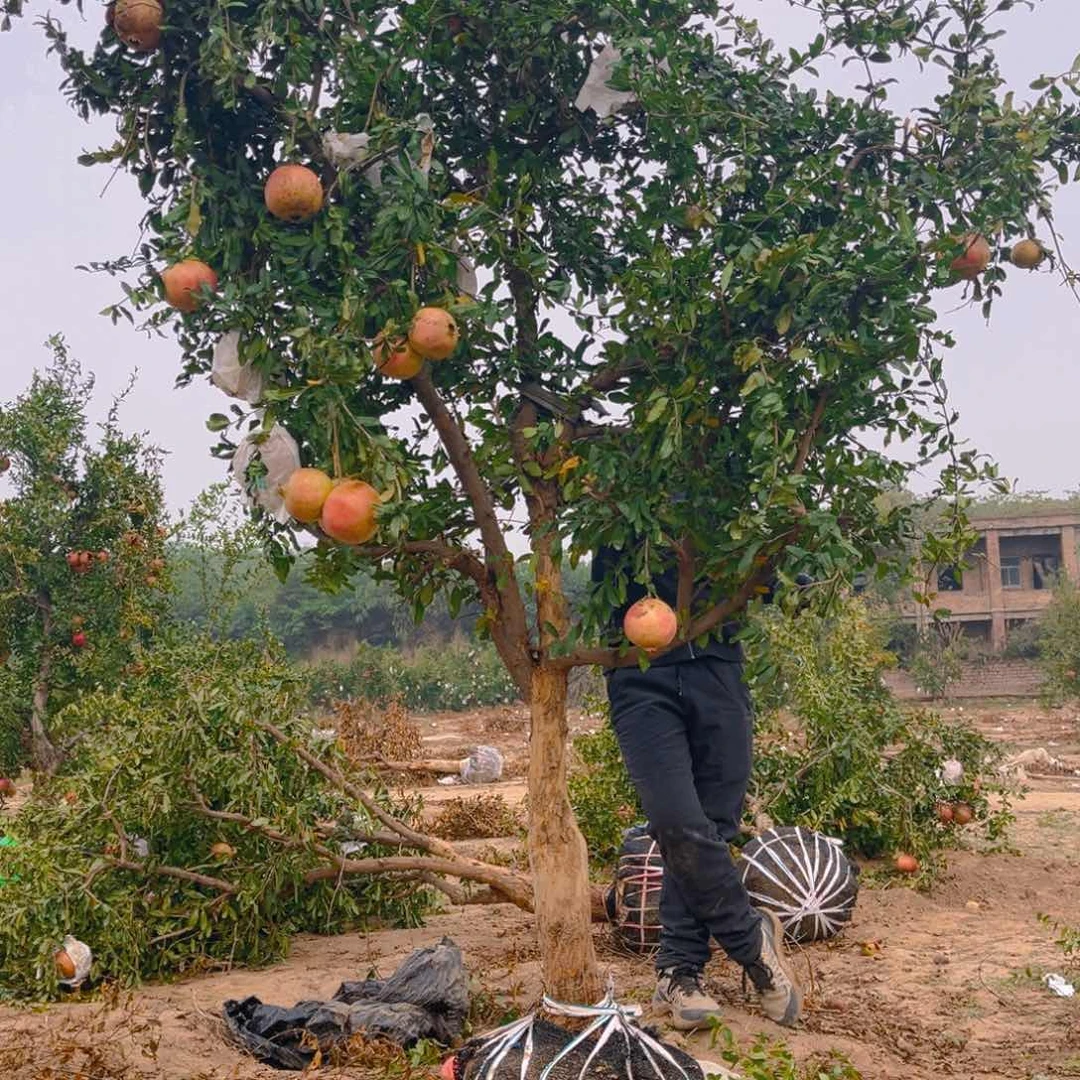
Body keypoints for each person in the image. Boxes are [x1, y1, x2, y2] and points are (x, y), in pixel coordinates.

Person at [591, 543, 805, 1031]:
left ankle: (678, 971)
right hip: (639, 671)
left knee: (714, 824)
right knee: (674, 821)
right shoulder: (614, 486)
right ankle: (752, 944)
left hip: (717, 664)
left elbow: (773, 559)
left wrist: (796, 568)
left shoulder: (730, 482)